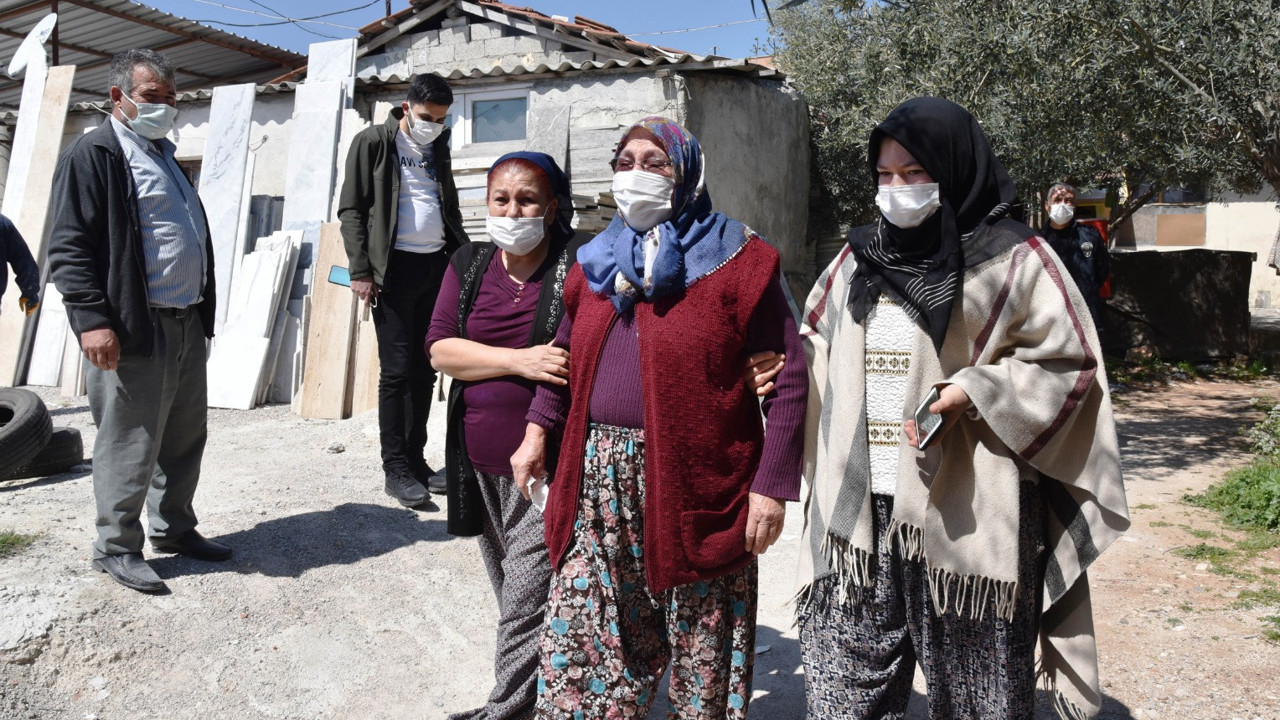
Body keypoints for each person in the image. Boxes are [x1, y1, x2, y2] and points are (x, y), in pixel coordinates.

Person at [796, 97, 1129, 720]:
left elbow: (1071, 366)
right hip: (861, 516)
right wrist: (776, 369)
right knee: (843, 693)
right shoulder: (856, 258)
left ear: (953, 169)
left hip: (968, 520)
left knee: (979, 701)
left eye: (914, 173)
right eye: (885, 175)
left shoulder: (1017, 259)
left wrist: (973, 391)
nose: (896, 189)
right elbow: (813, 347)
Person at [510, 117, 807, 720]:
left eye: (655, 162)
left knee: (702, 677)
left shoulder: (741, 262)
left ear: (688, 172)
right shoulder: (593, 264)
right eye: (625, 162)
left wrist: (772, 487)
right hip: (597, 488)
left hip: (700, 486)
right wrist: (538, 430)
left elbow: (789, 377)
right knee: (580, 669)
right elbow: (564, 358)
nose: (635, 175)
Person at [48, 49, 230, 594]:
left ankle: (174, 528)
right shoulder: (96, 153)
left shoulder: (162, 153)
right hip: (132, 326)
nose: (165, 108)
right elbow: (68, 244)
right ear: (119, 97)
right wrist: (90, 319)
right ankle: (116, 546)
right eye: (153, 98)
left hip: (183, 320)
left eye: (171, 100)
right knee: (129, 441)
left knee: (182, 437)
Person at [338, 72, 469, 509]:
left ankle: (416, 460)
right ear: (405, 106)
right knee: (396, 371)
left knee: (426, 369)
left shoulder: (438, 146)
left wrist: (462, 261)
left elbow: (445, 205)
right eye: (427, 116)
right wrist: (361, 270)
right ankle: (395, 467)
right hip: (392, 270)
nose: (434, 124)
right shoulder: (374, 142)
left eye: (442, 118)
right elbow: (352, 209)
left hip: (436, 266)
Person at [1042, 182, 1110, 331]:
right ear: (1048, 206)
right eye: (1058, 200)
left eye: (1068, 201)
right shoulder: (1038, 241)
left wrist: (1087, 290)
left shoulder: (1090, 236)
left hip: (1086, 313)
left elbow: (1102, 269)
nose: (1063, 204)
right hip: (1050, 318)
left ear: (1075, 206)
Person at [0, 213, 40, 319]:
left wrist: (30, 292)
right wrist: (30, 293)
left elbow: (23, 260)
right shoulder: (3, 223)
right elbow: (24, 260)